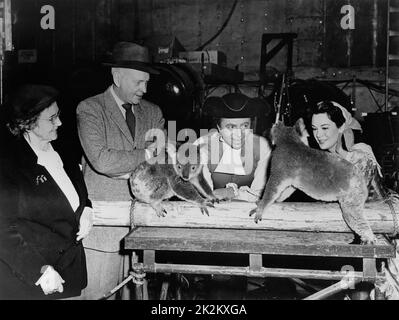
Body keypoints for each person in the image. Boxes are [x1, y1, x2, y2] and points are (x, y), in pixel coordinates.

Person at [76, 42, 165, 299]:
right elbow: (102, 162)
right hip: (103, 232)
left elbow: (159, 167)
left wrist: (124, 168)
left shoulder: (153, 112)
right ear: (117, 76)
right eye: (138, 82)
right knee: (97, 294)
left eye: (147, 82)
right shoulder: (90, 108)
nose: (144, 89)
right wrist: (146, 156)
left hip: (142, 227)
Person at [0, 85, 93, 300]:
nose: (59, 123)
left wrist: (86, 207)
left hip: (69, 272)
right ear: (27, 123)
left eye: (58, 115)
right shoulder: (9, 166)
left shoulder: (64, 151)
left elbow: (77, 188)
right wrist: (39, 271)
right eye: (51, 118)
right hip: (31, 281)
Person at [195, 92, 271, 202]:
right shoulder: (203, 146)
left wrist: (232, 193)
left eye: (245, 125)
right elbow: (206, 196)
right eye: (231, 127)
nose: (239, 134)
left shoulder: (261, 146)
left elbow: (261, 195)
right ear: (218, 127)